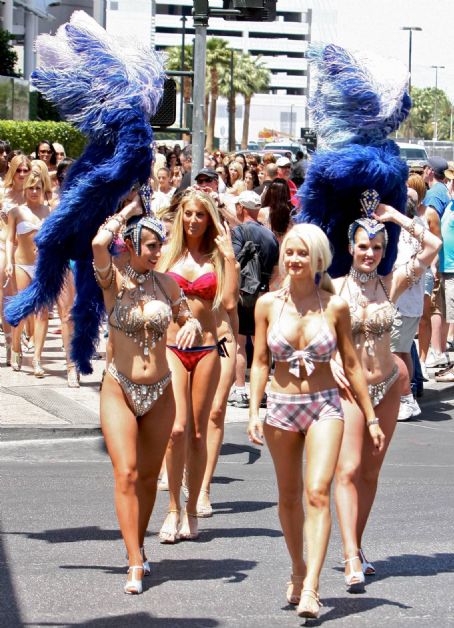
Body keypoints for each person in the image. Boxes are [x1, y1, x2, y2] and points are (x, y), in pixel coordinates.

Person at [247, 224, 381, 619]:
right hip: (282, 406)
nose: (294, 260)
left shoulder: (334, 306)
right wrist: (254, 410)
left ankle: (312, 588)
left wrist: (370, 417)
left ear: (318, 258)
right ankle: (296, 568)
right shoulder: (267, 304)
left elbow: (352, 364)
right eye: (289, 252)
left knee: (317, 492)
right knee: (288, 497)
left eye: (302, 253)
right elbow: (258, 362)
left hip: (325, 404)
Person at [92, 198, 200, 594]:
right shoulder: (114, 278)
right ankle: (135, 561)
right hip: (119, 385)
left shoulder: (167, 284)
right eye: (151, 245)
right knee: (127, 473)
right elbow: (97, 245)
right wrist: (127, 211)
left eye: (161, 245)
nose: (158, 252)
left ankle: (136, 546)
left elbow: (188, 319)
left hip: (160, 389)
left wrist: (190, 329)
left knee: (151, 478)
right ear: (133, 244)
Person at [333, 196, 440, 590]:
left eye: (377, 247)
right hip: (350, 390)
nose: (370, 253)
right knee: (346, 469)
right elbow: (313, 335)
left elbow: (433, 247)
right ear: (350, 248)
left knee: (371, 471)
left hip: (389, 385)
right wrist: (329, 363)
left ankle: (357, 545)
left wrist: (395, 217)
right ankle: (347, 554)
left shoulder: (390, 284)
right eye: (363, 246)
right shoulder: (333, 289)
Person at [158, 188, 238, 542]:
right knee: (176, 429)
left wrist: (230, 258)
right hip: (172, 347)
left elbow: (231, 303)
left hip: (208, 349)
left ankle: (193, 508)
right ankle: (173, 507)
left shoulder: (218, 258)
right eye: (188, 214)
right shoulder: (166, 255)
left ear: (209, 220)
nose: (193, 220)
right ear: (181, 216)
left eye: (200, 215)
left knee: (200, 430)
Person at [228, 190, 279, 408]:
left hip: (242, 294)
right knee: (261, 345)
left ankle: (240, 390)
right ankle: (262, 391)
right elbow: (277, 271)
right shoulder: (270, 235)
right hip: (264, 294)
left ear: (241, 208)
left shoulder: (238, 231)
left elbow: (234, 262)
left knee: (239, 343)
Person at [5, 169, 52, 374]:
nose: (34, 191)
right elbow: (9, 239)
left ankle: (37, 359)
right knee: (22, 309)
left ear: (43, 189)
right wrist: (8, 262)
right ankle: (16, 347)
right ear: (25, 189)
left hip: (43, 267)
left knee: (43, 313)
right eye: (31, 187)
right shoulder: (16, 212)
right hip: (21, 264)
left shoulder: (49, 211)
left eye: (38, 187)